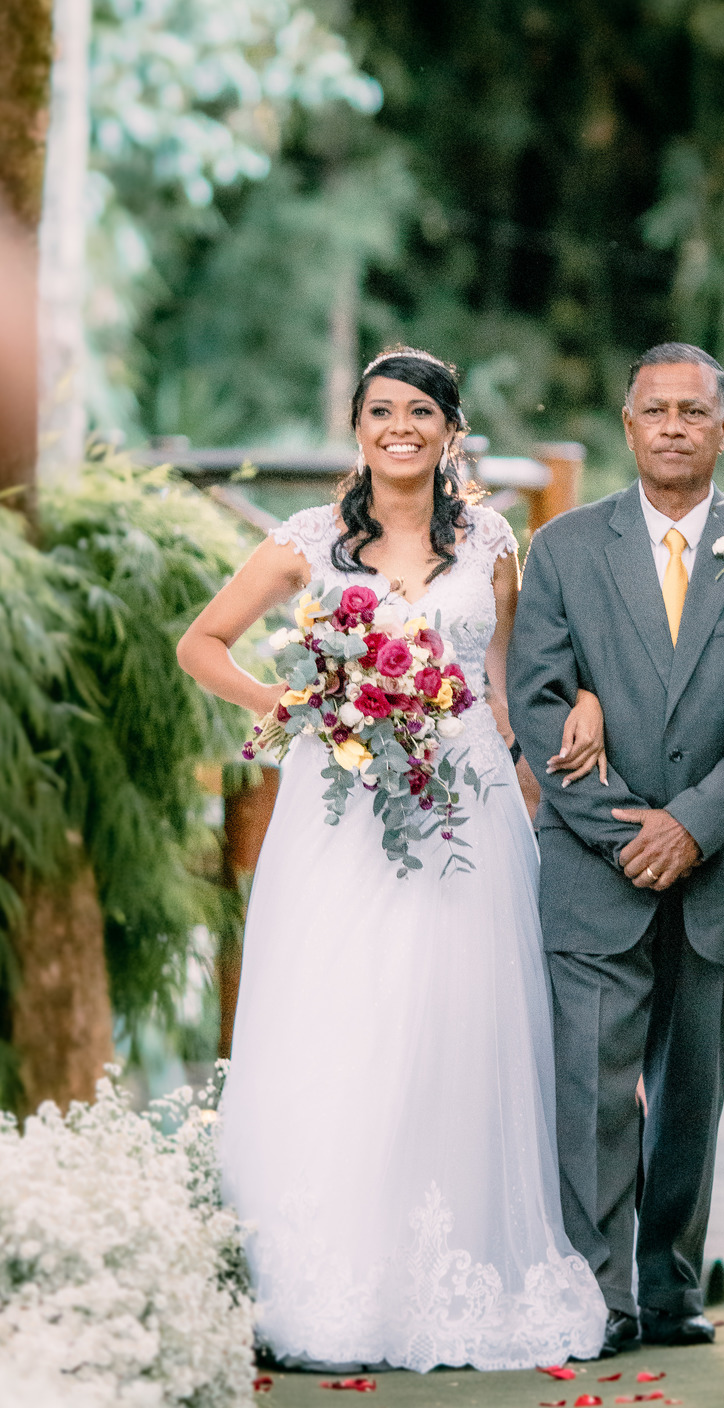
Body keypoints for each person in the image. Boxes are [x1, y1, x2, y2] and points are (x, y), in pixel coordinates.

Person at [176, 347, 608, 1372]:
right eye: (381, 411)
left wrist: (578, 711)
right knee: (344, 1017)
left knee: (460, 1021)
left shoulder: (492, 541)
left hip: (469, 808)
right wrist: (292, 706)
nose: (400, 428)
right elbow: (202, 643)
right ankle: (326, 1279)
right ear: (358, 427)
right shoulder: (308, 541)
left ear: (452, 430)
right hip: (344, 810)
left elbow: (510, 681)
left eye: (421, 411)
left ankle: (455, 1271)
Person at [507, 343, 724, 1358]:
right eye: (655, 410)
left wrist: (690, 826)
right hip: (593, 866)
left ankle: (670, 1287)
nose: (674, 427)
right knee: (592, 1096)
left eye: (693, 411)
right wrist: (625, 830)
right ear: (628, 424)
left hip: (721, 866)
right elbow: (536, 702)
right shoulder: (563, 549)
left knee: (691, 1095)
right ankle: (597, 1298)